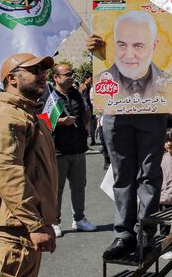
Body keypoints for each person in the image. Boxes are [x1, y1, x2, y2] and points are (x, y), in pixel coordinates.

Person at [88, 0, 172, 261]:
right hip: (116, 110)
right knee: (122, 175)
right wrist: (94, 47)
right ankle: (123, 235)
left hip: (152, 106)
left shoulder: (155, 9)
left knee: (149, 174)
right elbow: (102, 62)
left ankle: (147, 232)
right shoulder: (104, 17)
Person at [0, 53, 58, 276]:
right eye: (34, 70)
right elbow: (7, 174)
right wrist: (35, 223)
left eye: (43, 70)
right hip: (13, 227)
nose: (42, 75)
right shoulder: (5, 117)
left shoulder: (25, 115)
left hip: (22, 225)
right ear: (12, 79)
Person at [47, 63, 96, 238]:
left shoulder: (76, 93)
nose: (71, 77)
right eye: (67, 74)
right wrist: (60, 122)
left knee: (79, 186)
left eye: (71, 73)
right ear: (56, 77)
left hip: (78, 148)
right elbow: (40, 118)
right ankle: (54, 221)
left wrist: (88, 126)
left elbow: (86, 111)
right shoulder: (48, 95)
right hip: (58, 150)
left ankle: (79, 219)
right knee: (56, 189)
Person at [100, 10, 172, 102]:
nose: (129, 55)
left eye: (138, 46)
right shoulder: (99, 82)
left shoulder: (171, 85)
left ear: (153, 46)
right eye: (122, 45)